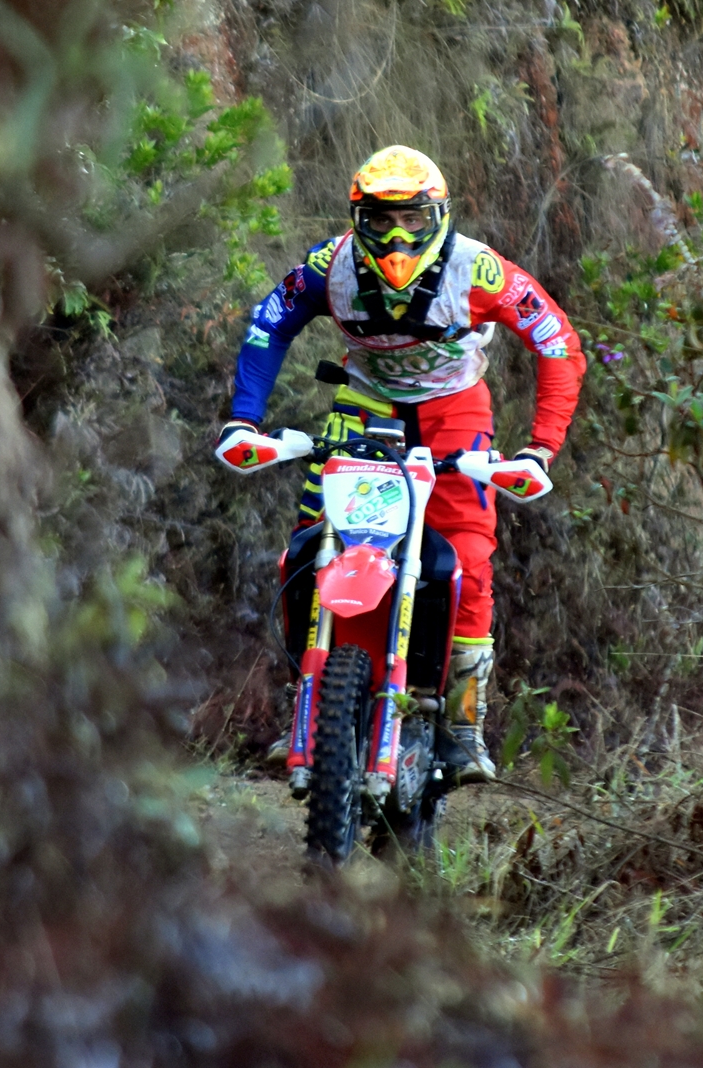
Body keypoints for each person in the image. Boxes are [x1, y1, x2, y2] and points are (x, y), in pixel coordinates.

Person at [221, 145, 585, 783]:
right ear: (356, 220)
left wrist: (540, 449)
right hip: (365, 406)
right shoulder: (329, 267)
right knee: (313, 547)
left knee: (469, 560)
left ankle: (462, 725)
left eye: (413, 219)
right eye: (381, 221)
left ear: (439, 216)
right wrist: (243, 420)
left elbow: (557, 342)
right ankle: (307, 705)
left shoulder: (479, 270)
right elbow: (268, 324)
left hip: (456, 409)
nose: (397, 237)